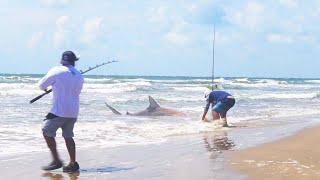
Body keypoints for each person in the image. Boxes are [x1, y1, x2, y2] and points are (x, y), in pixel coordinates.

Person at [38, 51, 84, 172]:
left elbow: (41, 85)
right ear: (74, 61)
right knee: (68, 136)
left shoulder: (57, 70)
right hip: (73, 111)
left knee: (46, 131)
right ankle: (73, 163)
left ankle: (56, 161)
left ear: (62, 60)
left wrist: (49, 88)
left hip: (59, 110)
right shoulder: (79, 75)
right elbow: (74, 91)